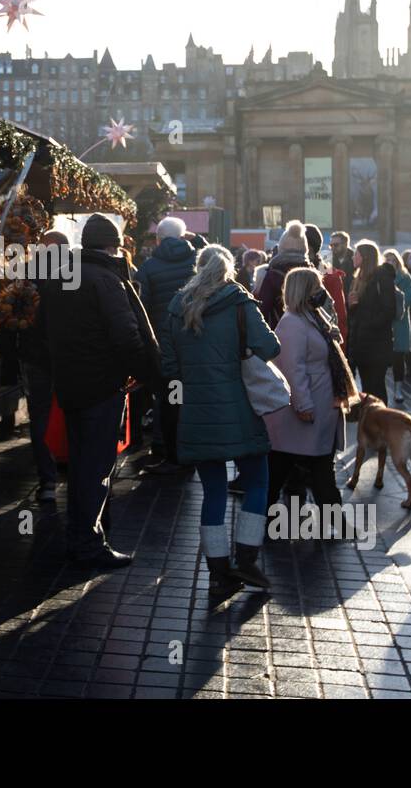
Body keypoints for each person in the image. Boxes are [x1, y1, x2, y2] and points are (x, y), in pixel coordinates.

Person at [38, 214, 157, 568]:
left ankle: (78, 535)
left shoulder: (63, 277)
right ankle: (88, 543)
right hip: (102, 385)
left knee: (80, 465)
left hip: (72, 383)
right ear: (113, 245)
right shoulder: (106, 280)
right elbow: (126, 335)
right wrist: (143, 371)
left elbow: (47, 330)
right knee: (96, 466)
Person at [161, 244, 279, 597]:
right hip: (240, 409)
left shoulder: (175, 307)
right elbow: (271, 349)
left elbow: (169, 368)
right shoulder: (240, 303)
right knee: (257, 481)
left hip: (196, 413)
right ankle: (246, 559)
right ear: (228, 271)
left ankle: (217, 573)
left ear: (198, 268)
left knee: (211, 491)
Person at [264, 267, 356, 532]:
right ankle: (333, 522)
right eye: (316, 286)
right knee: (310, 466)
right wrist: (303, 404)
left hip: (317, 406)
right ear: (304, 290)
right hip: (307, 408)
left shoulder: (311, 316)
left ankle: (268, 520)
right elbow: (293, 369)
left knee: (299, 465)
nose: (322, 292)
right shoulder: (293, 322)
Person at [0, 229, 70, 503]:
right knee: (70, 413)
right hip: (67, 357)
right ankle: (67, 470)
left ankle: (48, 480)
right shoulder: (74, 274)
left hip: (36, 356)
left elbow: (9, 316)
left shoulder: (28, 273)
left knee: (40, 416)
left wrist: (11, 353)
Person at [134, 216, 197, 471]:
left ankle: (162, 446)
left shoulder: (148, 267)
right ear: (184, 237)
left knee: (167, 395)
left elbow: (140, 309)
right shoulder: (198, 262)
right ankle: (188, 444)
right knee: (187, 394)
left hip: (163, 343)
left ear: (158, 239)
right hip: (194, 340)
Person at [346, 240, 398, 403]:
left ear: (366, 257)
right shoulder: (358, 278)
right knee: (367, 390)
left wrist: (364, 320)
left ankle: (380, 422)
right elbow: (355, 313)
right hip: (360, 344)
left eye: (356, 254)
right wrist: (352, 306)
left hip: (376, 346)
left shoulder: (382, 277)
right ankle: (371, 421)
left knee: (375, 388)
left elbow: (388, 311)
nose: (353, 257)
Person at [255, 220, 312, 328]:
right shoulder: (313, 275)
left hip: (280, 332)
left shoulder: (272, 275)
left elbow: (262, 311)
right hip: (310, 333)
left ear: (281, 248)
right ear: (305, 249)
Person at [305, 224, 349, 345]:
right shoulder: (291, 273)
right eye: (331, 245)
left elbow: (340, 317)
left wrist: (340, 351)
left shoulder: (330, 276)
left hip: (324, 344)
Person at [381, 249, 411, 404]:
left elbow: (410, 297)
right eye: (387, 259)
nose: (390, 262)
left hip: (400, 322)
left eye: (393, 260)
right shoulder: (380, 276)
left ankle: (398, 389)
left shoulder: (405, 277)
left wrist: (395, 304)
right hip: (383, 322)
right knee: (381, 359)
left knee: (398, 359)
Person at [330, 231, 356, 296]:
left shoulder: (355, 259)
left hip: (350, 298)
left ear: (345, 244)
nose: (332, 247)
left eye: (336, 245)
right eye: (331, 245)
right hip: (334, 299)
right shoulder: (328, 261)